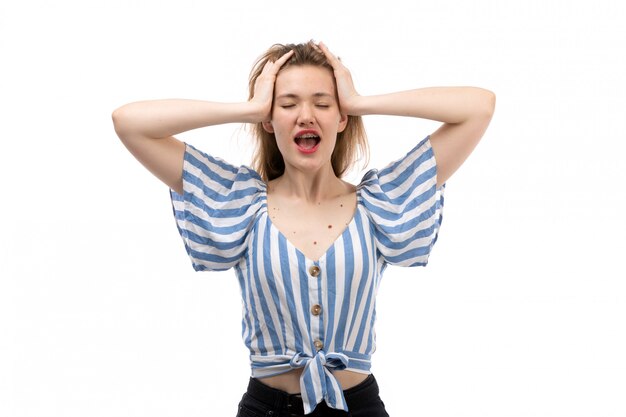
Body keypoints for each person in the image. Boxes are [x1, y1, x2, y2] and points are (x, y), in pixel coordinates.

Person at [112, 40, 495, 417]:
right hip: (267, 408)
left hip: (357, 406)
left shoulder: (378, 204)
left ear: (340, 117)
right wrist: (247, 108)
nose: (306, 115)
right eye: (288, 104)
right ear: (269, 119)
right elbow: (129, 123)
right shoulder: (241, 203)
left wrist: (361, 102)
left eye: (323, 103)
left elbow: (479, 107)